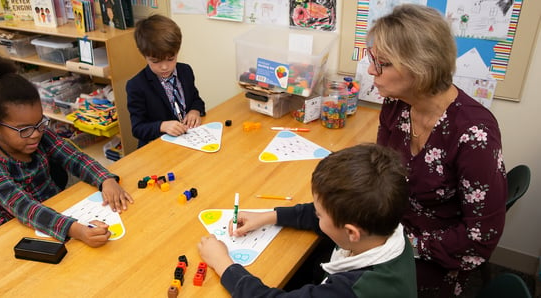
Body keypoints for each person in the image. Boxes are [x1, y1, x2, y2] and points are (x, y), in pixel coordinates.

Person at [367, 4, 507, 296]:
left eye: (383, 63)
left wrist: (398, 247)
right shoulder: (396, 105)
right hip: (393, 230)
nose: (371, 70)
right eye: (372, 59)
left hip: (439, 256)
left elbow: (480, 238)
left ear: (422, 67)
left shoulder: (474, 134)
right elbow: (382, 173)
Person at [0, 51, 134, 248]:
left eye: (39, 123)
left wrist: (106, 179)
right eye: (24, 129)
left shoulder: (41, 135)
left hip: (59, 212)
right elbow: (25, 209)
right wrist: (75, 229)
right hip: (17, 232)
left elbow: (75, 158)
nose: (35, 134)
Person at [198, 143, 418, 297]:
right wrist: (268, 216)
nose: (315, 215)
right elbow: (325, 216)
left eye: (320, 214)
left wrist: (223, 264)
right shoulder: (386, 228)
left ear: (352, 232)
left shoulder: (353, 290)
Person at [127, 14, 206, 147]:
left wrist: (195, 111)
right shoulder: (136, 85)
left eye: (171, 59)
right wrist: (162, 126)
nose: (164, 66)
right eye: (155, 61)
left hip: (187, 141)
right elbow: (138, 128)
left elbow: (196, 100)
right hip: (157, 147)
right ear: (143, 54)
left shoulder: (185, 71)